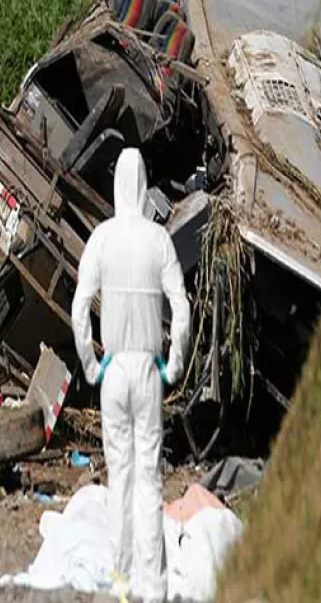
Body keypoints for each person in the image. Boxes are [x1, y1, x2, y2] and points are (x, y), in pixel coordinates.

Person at [71, 148, 190, 602]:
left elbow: (80, 308)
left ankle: (120, 583)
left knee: (118, 474)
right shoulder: (158, 240)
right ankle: (153, 586)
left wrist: (91, 364)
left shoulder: (101, 239)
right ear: (143, 187)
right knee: (149, 477)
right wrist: (173, 364)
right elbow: (181, 309)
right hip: (148, 368)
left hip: (115, 368)